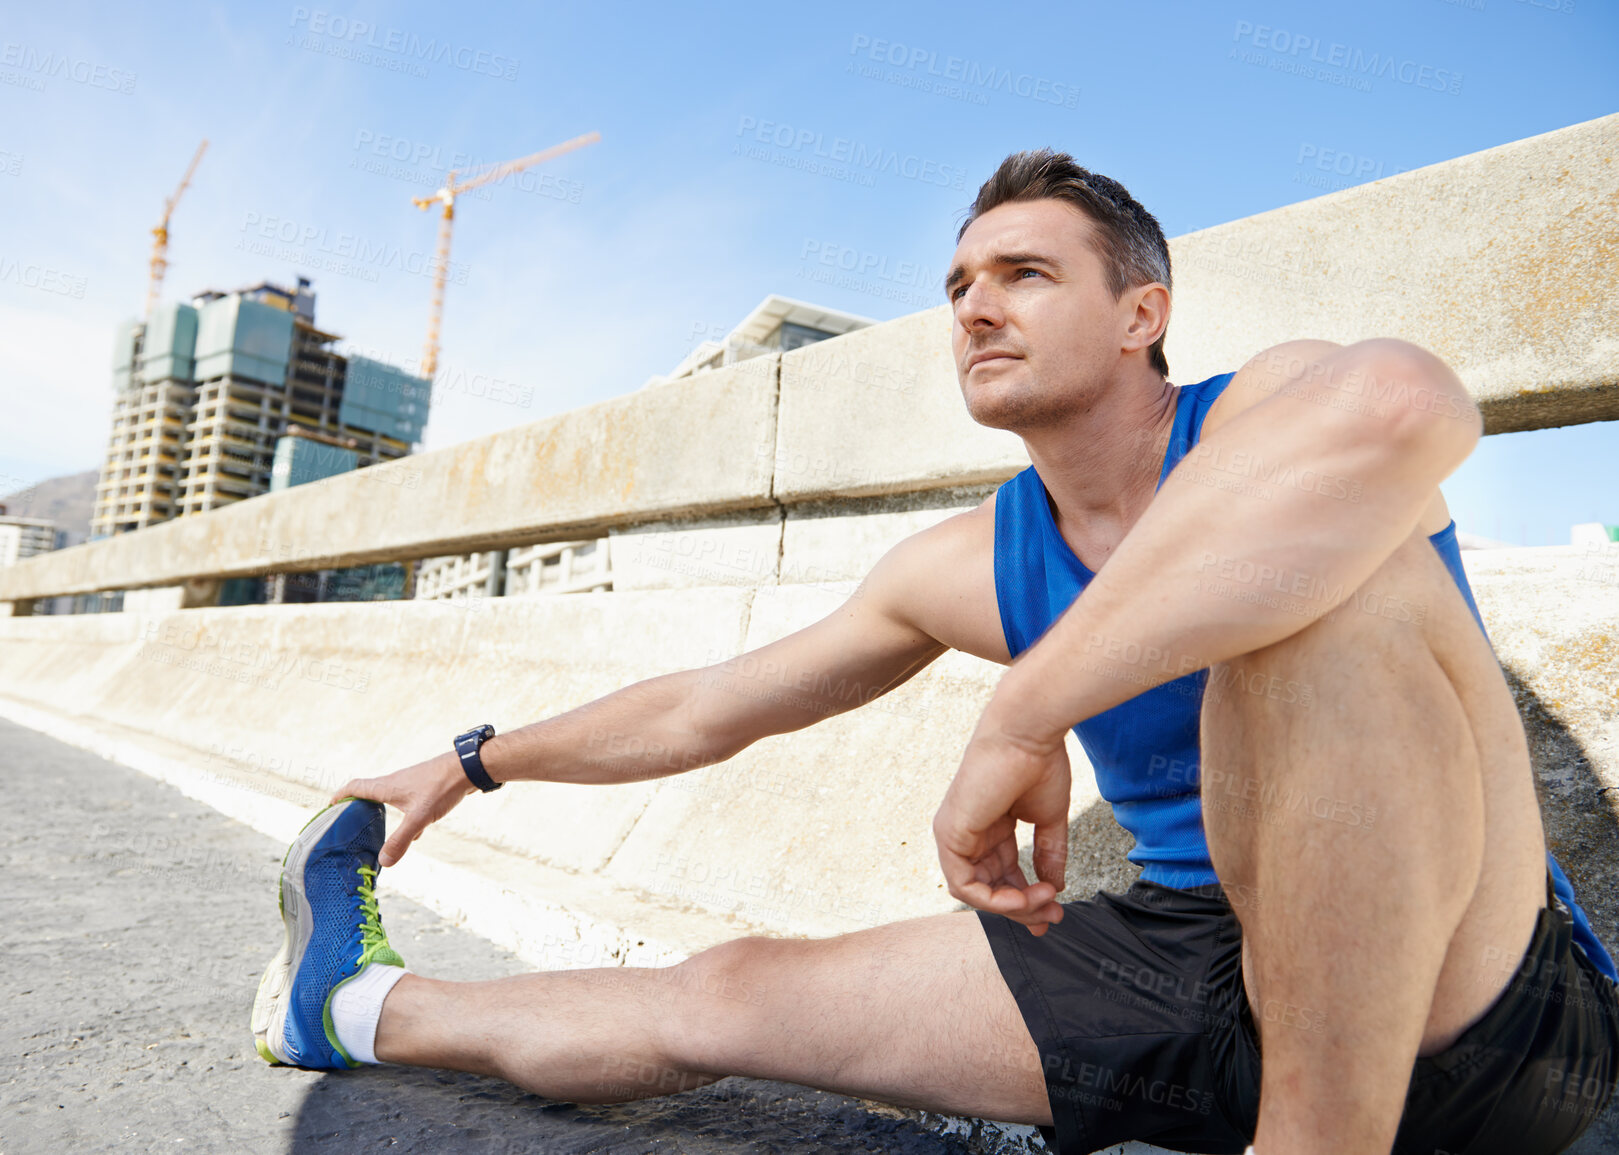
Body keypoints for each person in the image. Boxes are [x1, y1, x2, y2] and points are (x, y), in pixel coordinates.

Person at [250, 149, 1618, 1155]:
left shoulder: (1266, 410)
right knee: (729, 993)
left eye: (1026, 273)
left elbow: (1399, 404)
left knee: (1326, 585)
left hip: (1481, 997)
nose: (973, 306)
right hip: (1196, 964)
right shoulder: (971, 562)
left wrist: (1028, 709)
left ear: (1142, 312)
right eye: (958, 283)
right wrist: (474, 761)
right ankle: (355, 1008)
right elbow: (711, 707)